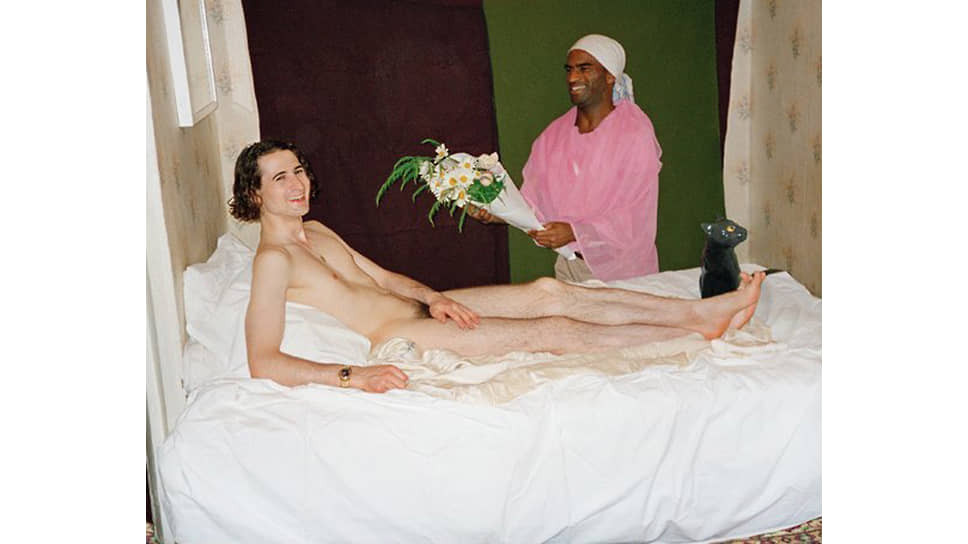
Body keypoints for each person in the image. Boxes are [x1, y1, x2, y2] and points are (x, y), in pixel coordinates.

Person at [229, 140, 764, 394]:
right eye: (280, 178)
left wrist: (434, 296)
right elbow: (263, 361)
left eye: (299, 170)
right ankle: (694, 334)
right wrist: (351, 375)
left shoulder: (318, 230)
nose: (298, 184)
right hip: (400, 334)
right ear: (254, 194)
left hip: (419, 309)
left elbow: (383, 279)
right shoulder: (273, 261)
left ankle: (699, 314)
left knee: (549, 291)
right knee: (552, 330)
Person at [470, 34, 662, 283]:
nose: (572, 78)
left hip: (624, 272)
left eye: (584, 68)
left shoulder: (634, 132)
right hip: (569, 266)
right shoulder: (553, 136)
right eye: (569, 70)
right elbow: (532, 202)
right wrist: (496, 213)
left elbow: (635, 215)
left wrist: (574, 231)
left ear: (610, 76)